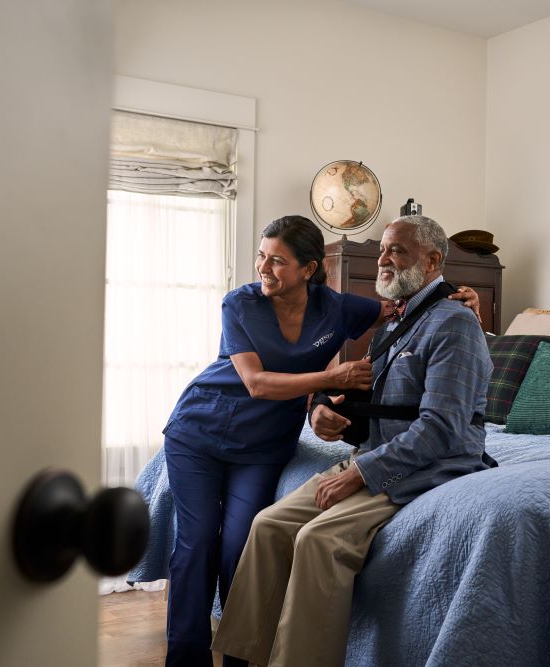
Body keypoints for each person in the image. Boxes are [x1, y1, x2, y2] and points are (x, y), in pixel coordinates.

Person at [160, 215, 481, 667]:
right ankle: (187, 660)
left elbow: (413, 313)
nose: (264, 268)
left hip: (266, 446)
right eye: (261, 257)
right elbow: (260, 383)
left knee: (243, 542)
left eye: (278, 261)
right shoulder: (241, 304)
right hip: (201, 429)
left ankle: (242, 662)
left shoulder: (357, 311)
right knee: (200, 544)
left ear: (309, 269)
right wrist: (321, 402)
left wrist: (460, 295)